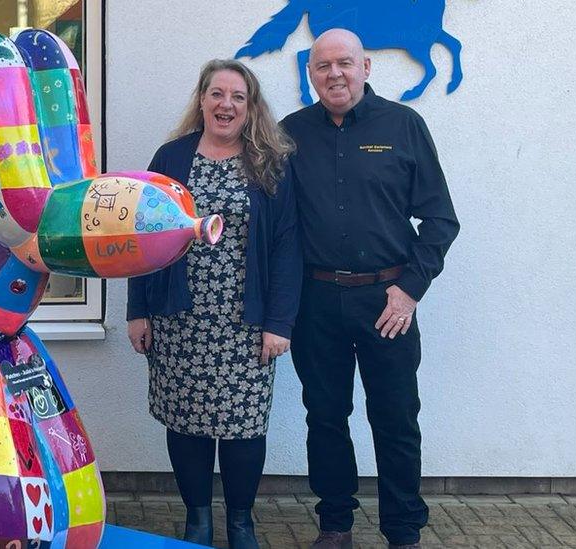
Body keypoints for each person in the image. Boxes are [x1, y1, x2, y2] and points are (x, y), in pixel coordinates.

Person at [279, 29, 460, 549]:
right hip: (315, 302)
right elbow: (280, 224)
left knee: (396, 417)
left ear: (366, 68)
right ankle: (335, 525)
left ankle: (403, 531)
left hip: (389, 302)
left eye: (344, 63)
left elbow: (440, 220)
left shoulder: (404, 126)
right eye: (322, 66)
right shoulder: (292, 134)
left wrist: (409, 290)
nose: (334, 74)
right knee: (326, 417)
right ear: (310, 74)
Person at [127, 59, 302, 549]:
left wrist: (279, 322)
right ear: (202, 99)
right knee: (186, 423)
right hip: (178, 317)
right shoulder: (170, 158)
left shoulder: (268, 163)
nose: (226, 105)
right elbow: (139, 237)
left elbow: (288, 246)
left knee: (245, 426)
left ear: (250, 108)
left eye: (238, 97)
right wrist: (137, 310)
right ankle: (197, 519)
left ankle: (241, 522)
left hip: (246, 322)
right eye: (217, 94)